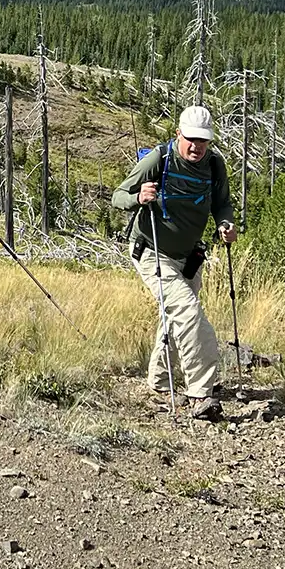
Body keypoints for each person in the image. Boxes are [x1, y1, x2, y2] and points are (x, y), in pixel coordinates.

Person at [112, 105, 237, 419]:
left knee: (175, 315)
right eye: (191, 139)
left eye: (203, 140)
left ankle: (158, 381)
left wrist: (225, 224)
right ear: (178, 134)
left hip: (189, 256)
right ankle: (200, 394)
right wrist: (138, 197)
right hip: (151, 250)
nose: (196, 146)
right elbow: (118, 196)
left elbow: (222, 203)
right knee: (189, 313)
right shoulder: (159, 159)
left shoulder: (214, 165)